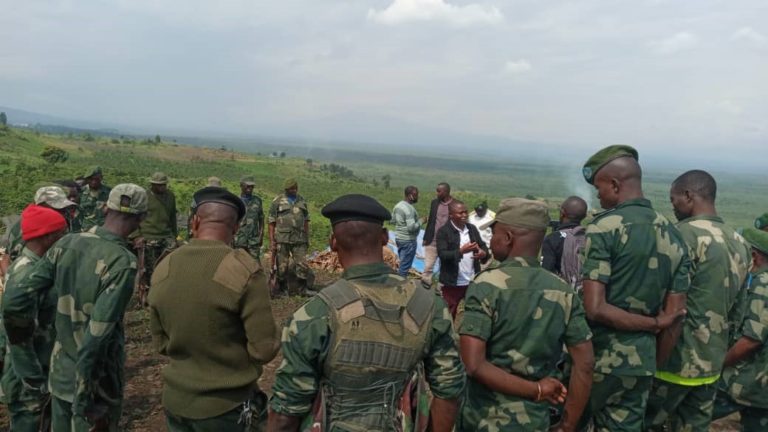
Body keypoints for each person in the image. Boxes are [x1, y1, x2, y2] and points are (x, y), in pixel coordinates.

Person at [268, 194, 465, 432]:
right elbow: (450, 391)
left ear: (333, 242)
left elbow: (286, 413)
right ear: (384, 238)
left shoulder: (313, 315)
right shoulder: (429, 305)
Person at [2, 183, 148, 432]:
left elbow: (15, 300)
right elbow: (96, 339)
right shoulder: (122, 262)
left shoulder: (67, 243)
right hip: (94, 387)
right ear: (142, 218)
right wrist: (84, 400)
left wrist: (19, 348)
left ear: (105, 208)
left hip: (59, 376)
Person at [579, 145, 691, 431]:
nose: (598, 195)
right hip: (642, 363)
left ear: (615, 185)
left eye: (599, 188)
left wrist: (653, 322)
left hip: (597, 359)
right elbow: (675, 317)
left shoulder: (604, 228)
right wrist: (652, 362)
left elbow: (594, 307)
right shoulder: (674, 234)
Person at [149, 186, 279, 431]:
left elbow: (161, 344)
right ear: (236, 227)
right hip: (226, 407)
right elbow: (264, 349)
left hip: (176, 402)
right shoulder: (244, 270)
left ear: (195, 221)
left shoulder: (164, 265)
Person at [458, 197, 594, 432]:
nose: (491, 240)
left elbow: (473, 364)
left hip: (484, 420)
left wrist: (537, 390)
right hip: (534, 420)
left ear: (508, 238)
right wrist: (568, 425)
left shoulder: (486, 285)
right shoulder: (563, 291)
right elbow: (586, 363)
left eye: (495, 233)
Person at [645, 170, 751, 431]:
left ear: (688, 196)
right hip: (711, 365)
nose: (674, 207)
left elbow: (662, 299)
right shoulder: (740, 242)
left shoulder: (680, 235)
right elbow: (739, 309)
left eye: (674, 200)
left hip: (671, 363)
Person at [0, 205, 68, 431]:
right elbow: (18, 338)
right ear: (47, 237)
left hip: (39, 369)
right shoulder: (27, 275)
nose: (65, 239)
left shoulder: (38, 267)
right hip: (28, 380)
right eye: (61, 234)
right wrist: (34, 382)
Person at [712, 227, 768, 431]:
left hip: (745, 382)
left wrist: (718, 365)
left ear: (753, 255)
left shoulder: (762, 285)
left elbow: (751, 340)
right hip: (761, 390)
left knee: (691, 413)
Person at [436, 200, 489, 317]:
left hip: (472, 280)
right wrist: (461, 251)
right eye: (460, 213)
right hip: (452, 283)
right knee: (448, 314)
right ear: (451, 215)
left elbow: (483, 245)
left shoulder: (472, 229)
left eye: (465, 212)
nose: (464, 215)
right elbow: (443, 255)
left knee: (474, 312)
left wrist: (483, 253)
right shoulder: (444, 232)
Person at [4, 185, 78, 263]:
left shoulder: (64, 222)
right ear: (40, 206)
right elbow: (7, 258)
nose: (61, 212)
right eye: (56, 208)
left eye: (63, 208)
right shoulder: (24, 228)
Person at [268, 178, 314, 296]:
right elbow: (271, 221)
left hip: (299, 238)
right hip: (282, 239)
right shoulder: (277, 201)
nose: (293, 191)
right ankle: (283, 290)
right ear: (286, 189)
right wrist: (272, 240)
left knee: (302, 264)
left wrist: (307, 237)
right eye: (290, 189)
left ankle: (302, 289)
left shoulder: (302, 201)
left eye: (295, 188)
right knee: (282, 266)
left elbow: (306, 221)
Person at [134, 172, 178, 291]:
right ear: (152, 185)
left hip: (166, 235)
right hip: (149, 236)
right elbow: (135, 216)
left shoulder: (170, 196)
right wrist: (137, 235)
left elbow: (172, 217)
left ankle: (165, 290)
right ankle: (149, 292)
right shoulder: (144, 197)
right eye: (158, 185)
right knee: (150, 268)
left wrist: (176, 235)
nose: (161, 187)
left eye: (163, 185)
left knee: (169, 265)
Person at [542, 196, 588, 289]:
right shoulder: (590, 237)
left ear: (562, 213)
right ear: (584, 216)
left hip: (562, 294)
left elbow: (545, 273)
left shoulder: (552, 238)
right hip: (587, 294)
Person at [392, 185, 422, 277]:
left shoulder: (398, 205)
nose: (417, 197)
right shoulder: (409, 209)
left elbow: (393, 221)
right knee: (404, 267)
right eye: (416, 195)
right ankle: (400, 286)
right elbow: (411, 227)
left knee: (402, 262)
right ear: (410, 196)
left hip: (399, 238)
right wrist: (421, 221)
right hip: (408, 240)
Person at [234, 175, 265, 260]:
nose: (250, 188)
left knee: (255, 265)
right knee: (238, 264)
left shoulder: (257, 201)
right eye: (248, 186)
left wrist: (261, 235)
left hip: (253, 240)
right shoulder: (236, 201)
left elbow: (261, 219)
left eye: (252, 186)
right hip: (239, 239)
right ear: (241, 185)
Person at [79, 166, 111, 230]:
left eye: (97, 179)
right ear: (87, 179)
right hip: (84, 229)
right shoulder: (81, 191)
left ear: (101, 178)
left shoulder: (109, 192)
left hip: (102, 229)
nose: (94, 182)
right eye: (91, 179)